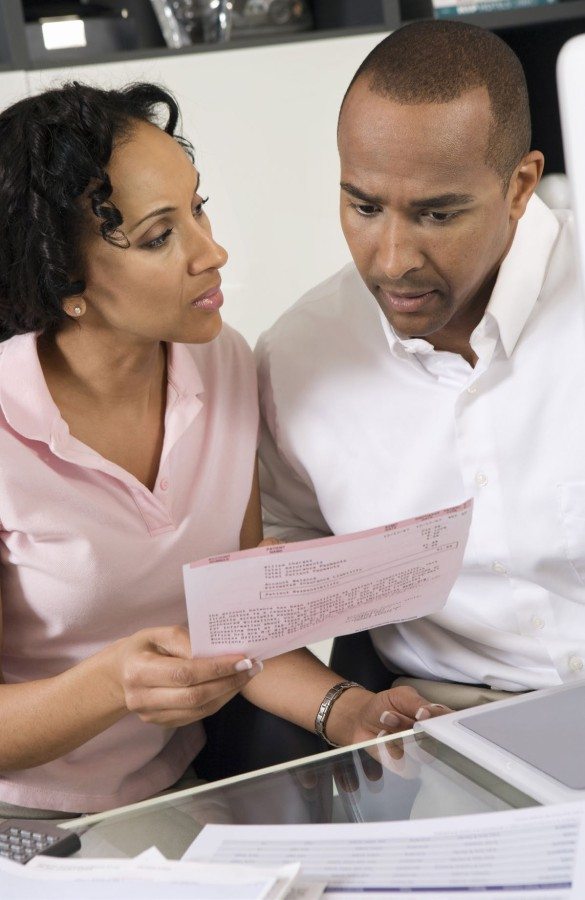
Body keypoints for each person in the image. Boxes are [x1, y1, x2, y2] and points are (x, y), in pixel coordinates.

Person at [0, 81, 444, 823]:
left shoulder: (220, 362)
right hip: (24, 828)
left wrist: (350, 712)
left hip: (181, 795)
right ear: (63, 280)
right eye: (157, 236)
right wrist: (115, 683)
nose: (213, 252)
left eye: (197, 209)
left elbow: (236, 627)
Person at [257, 20, 585, 710]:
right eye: (364, 206)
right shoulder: (299, 359)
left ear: (521, 185)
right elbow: (270, 595)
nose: (392, 258)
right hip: (452, 723)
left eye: (437, 215)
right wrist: (339, 708)